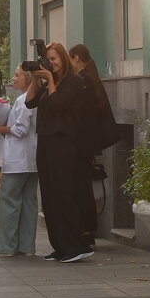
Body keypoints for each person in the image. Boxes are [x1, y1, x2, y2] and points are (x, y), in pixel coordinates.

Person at [25, 42, 92, 263]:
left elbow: (57, 105)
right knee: (50, 195)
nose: (51, 63)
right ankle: (60, 247)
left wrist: (50, 80)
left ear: (63, 58)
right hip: (46, 142)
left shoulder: (74, 82)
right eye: (48, 59)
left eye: (54, 59)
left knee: (64, 194)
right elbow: (30, 103)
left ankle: (76, 245)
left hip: (63, 143)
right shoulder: (48, 83)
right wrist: (36, 78)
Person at [68, 43, 120, 251]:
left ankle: (86, 232)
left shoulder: (84, 81)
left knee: (81, 189)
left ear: (76, 59)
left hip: (82, 144)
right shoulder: (89, 79)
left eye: (69, 59)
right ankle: (87, 232)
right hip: (86, 144)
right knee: (84, 188)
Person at [0, 64, 39, 257]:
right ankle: (26, 246)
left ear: (28, 78)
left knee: (9, 202)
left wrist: (2, 129)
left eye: (17, 75)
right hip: (32, 160)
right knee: (28, 204)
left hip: (17, 160)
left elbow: (20, 128)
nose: (13, 79)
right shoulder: (33, 98)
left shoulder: (25, 99)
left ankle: (6, 246)